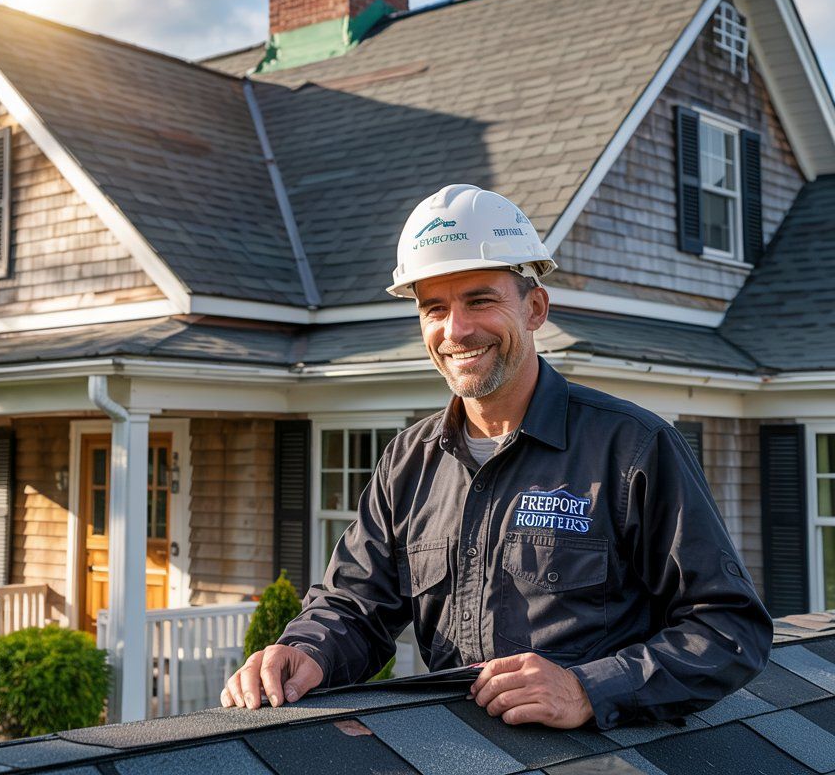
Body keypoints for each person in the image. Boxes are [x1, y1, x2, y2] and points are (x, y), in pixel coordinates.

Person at [221, 184, 773, 729]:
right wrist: (305, 651)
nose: (455, 330)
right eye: (434, 308)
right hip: (455, 753)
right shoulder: (409, 462)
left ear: (534, 307)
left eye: (480, 300)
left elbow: (728, 627)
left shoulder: (631, 448)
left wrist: (588, 688)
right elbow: (354, 606)